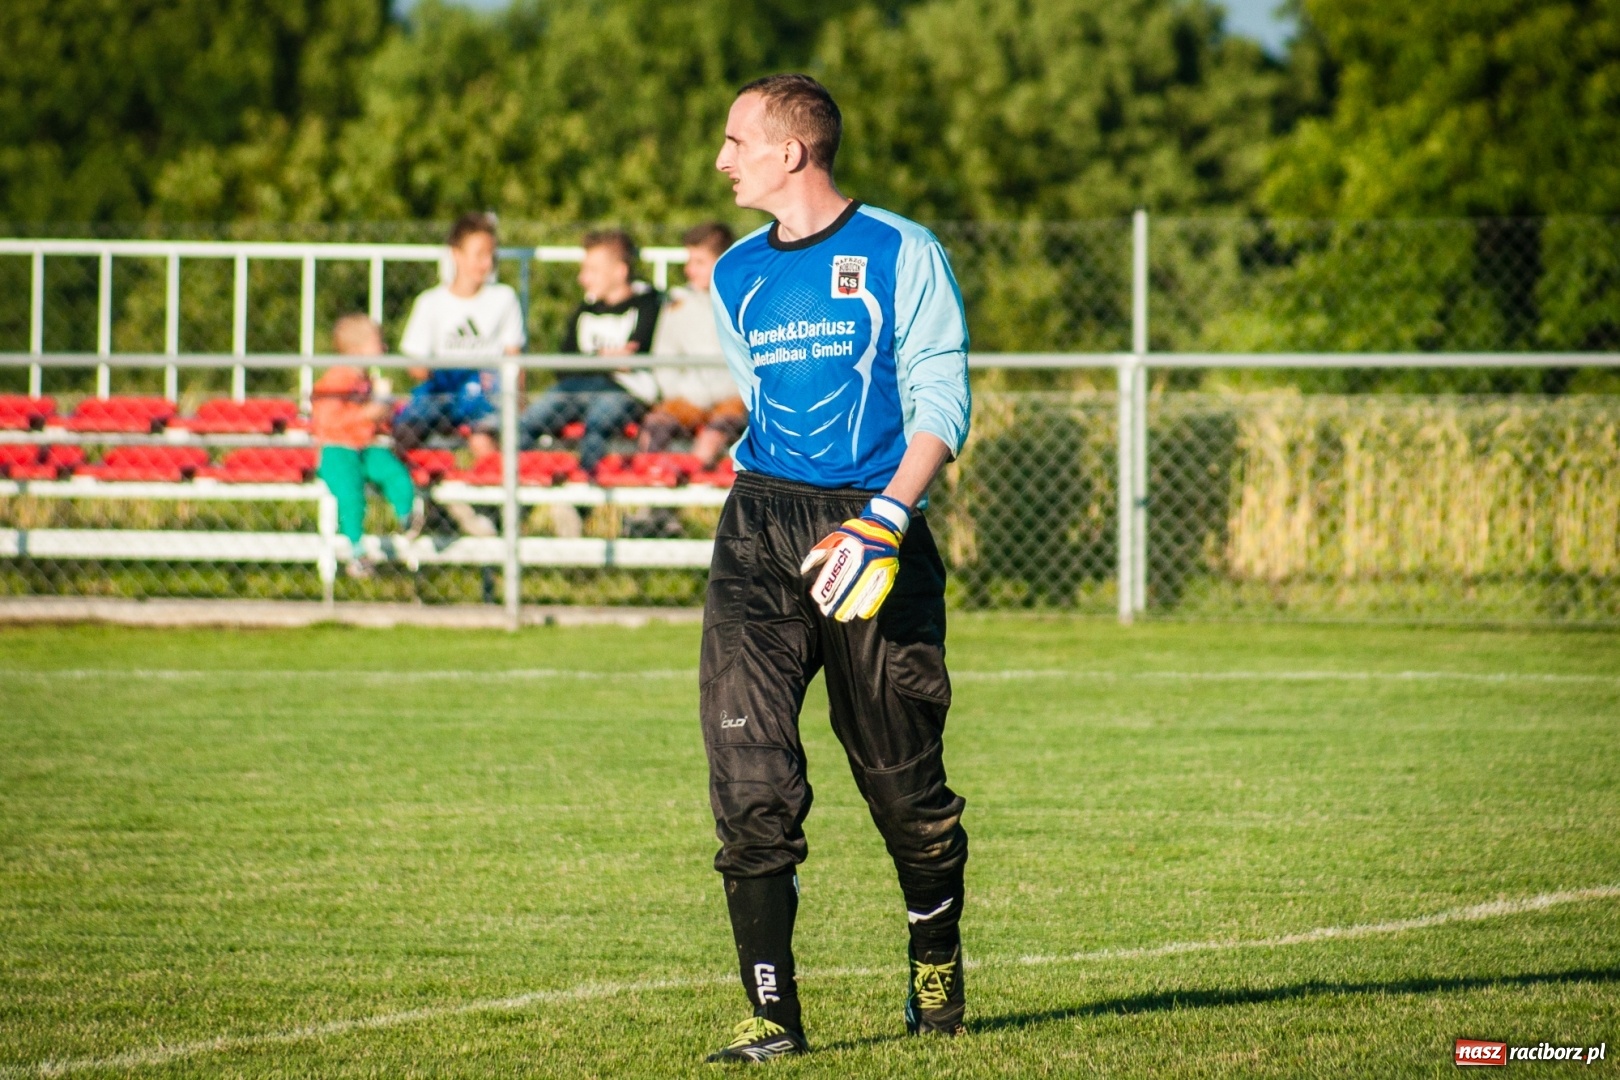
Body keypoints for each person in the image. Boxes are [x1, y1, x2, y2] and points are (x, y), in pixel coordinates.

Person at [698, 74, 973, 1063]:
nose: (723, 159)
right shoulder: (733, 274)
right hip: (759, 534)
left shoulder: (902, 250)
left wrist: (888, 519)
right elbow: (757, 401)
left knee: (906, 791)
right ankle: (771, 1012)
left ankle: (934, 951)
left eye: (736, 141)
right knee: (749, 779)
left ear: (792, 152)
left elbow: (941, 393)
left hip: (874, 535)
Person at [394, 211, 525, 537]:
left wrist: (515, 397)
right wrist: (440, 370)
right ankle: (433, 506)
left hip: (483, 393)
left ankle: (491, 514)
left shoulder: (503, 298)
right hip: (442, 389)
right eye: (478, 254)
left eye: (490, 255)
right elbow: (416, 366)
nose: (486, 263)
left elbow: (514, 358)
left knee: (483, 439)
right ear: (456, 255)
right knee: (406, 434)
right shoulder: (431, 303)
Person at [519, 229, 661, 472]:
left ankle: (583, 495)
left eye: (592, 270)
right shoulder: (584, 310)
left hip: (624, 389)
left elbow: (633, 358)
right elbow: (564, 365)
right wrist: (603, 358)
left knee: (598, 423)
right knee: (528, 421)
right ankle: (506, 486)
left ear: (620, 271)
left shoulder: (648, 306)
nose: (583, 279)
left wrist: (593, 360)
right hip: (576, 386)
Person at [313, 315, 424, 580]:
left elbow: (376, 420)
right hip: (338, 449)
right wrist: (369, 414)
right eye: (378, 342)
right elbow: (328, 420)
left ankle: (407, 515)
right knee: (350, 493)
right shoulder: (338, 379)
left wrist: (385, 412)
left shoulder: (368, 381)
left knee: (394, 472)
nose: (384, 347)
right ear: (356, 350)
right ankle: (356, 548)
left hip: (366, 447)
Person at [642, 222, 748, 468]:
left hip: (732, 398)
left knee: (712, 437)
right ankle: (655, 495)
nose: (690, 270)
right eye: (690, 261)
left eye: (699, 262)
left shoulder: (745, 301)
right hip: (687, 397)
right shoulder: (679, 305)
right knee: (653, 430)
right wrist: (678, 391)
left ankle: (691, 484)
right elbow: (664, 355)